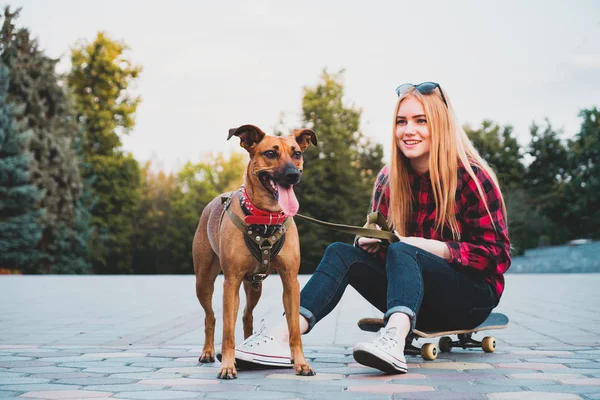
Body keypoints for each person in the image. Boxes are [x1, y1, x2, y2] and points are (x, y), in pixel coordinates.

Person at [231, 82, 511, 374]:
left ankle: (393, 339)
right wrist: (369, 243)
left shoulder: (472, 177)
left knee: (405, 249)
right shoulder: (389, 179)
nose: (408, 130)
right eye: (401, 122)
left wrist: (422, 245)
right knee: (341, 253)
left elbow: (496, 257)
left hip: (471, 298)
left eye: (420, 121)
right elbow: (393, 260)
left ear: (440, 125)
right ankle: (282, 337)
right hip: (415, 299)